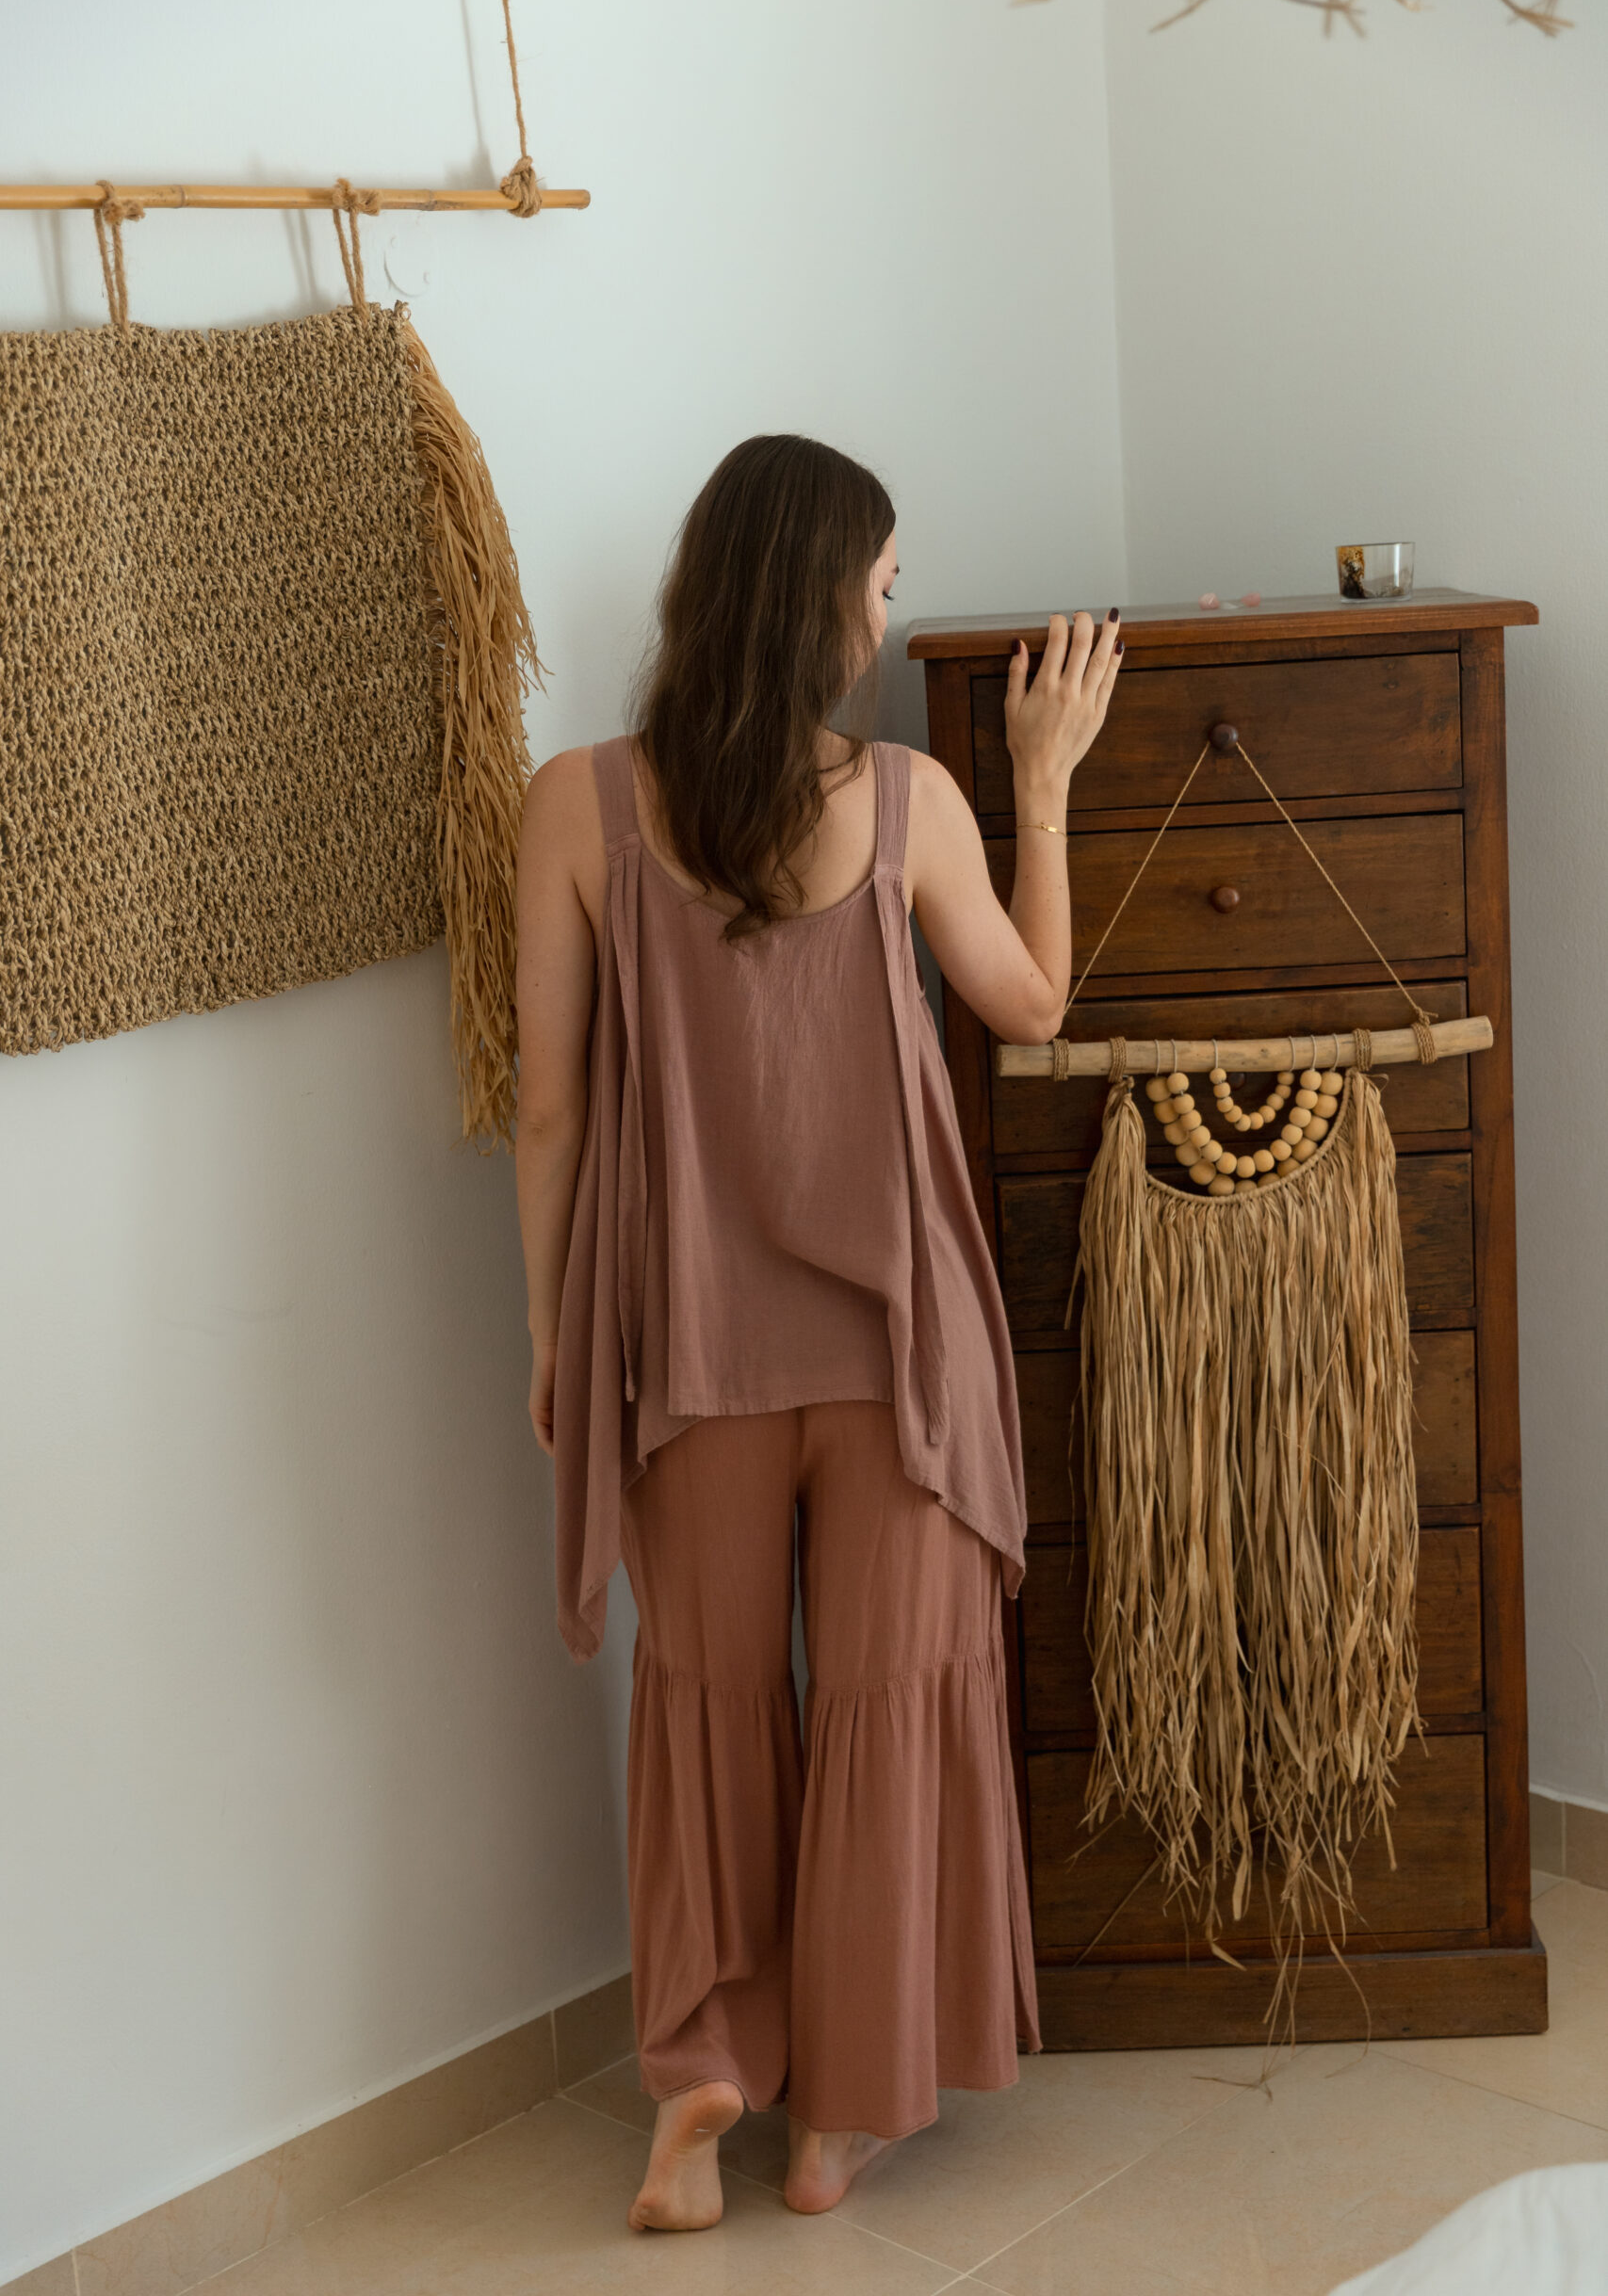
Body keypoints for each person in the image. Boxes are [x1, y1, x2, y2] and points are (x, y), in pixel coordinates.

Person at [513, 433, 1122, 2234]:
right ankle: (837, 2124)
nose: (886, 614)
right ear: (825, 605)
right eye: (883, 583)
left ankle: (703, 2069)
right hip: (896, 1357)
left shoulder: (577, 805)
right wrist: (1046, 786)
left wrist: (554, 1337)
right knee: (882, 1709)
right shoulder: (912, 802)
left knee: (708, 1710)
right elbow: (1031, 1004)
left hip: (686, 1350)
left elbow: (548, 1111)